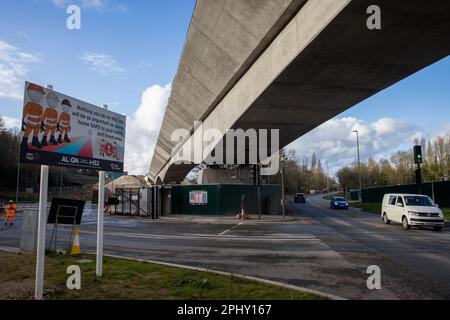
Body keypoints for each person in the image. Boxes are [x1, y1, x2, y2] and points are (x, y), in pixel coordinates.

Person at [21, 83, 45, 149]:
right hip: (30, 123)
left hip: (37, 125)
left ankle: (35, 142)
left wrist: (41, 123)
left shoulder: (40, 107)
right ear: (31, 93)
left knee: (36, 134)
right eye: (38, 94)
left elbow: (41, 116)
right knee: (27, 133)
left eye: (41, 95)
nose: (40, 96)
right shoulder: (29, 104)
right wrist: (22, 120)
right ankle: (24, 142)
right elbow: (24, 112)